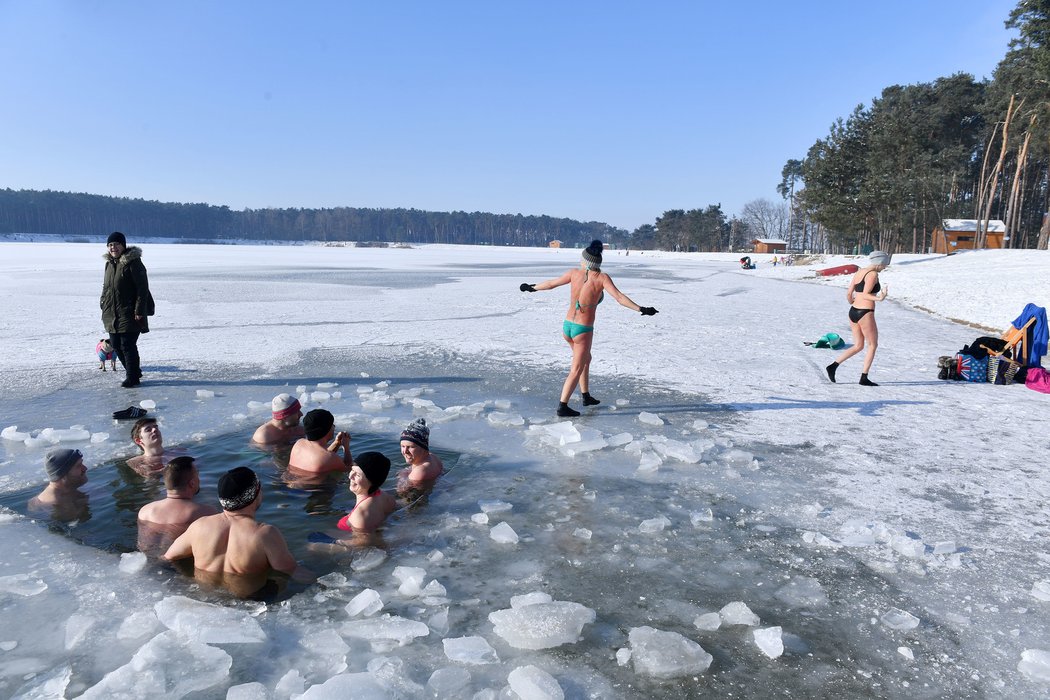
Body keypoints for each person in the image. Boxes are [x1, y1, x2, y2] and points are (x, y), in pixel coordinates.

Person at [520, 240, 659, 417]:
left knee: (586, 358)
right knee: (576, 368)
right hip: (583, 330)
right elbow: (619, 298)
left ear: (586, 261)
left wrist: (532, 288)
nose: (580, 261)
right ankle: (563, 406)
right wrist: (641, 309)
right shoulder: (601, 278)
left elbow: (551, 284)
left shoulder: (574, 274)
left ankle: (586, 396)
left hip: (567, 327)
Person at [163, 466, 308, 597]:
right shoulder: (264, 534)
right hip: (249, 605)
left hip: (205, 598)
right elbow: (292, 571)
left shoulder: (199, 526)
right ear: (256, 494)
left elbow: (168, 557)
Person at [826, 250, 891, 386]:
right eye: (884, 264)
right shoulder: (873, 274)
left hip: (853, 311)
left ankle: (833, 366)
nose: (884, 267)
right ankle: (864, 378)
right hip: (865, 312)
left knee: (858, 346)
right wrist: (880, 298)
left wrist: (853, 303)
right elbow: (867, 294)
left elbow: (849, 294)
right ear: (879, 262)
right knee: (873, 345)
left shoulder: (859, 272)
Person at [100, 231, 154, 388]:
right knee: (116, 344)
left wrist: (138, 310)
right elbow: (106, 287)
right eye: (110, 245)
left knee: (127, 345)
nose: (113, 247)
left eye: (116, 244)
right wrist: (103, 303)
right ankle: (134, 371)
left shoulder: (133, 263)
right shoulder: (109, 264)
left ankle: (132, 377)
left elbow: (142, 289)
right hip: (112, 312)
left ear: (123, 245)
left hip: (129, 312)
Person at [137, 456, 219, 554]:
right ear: (192, 483)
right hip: (177, 563)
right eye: (197, 474)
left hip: (143, 559)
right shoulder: (205, 512)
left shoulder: (145, 511)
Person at [337, 452, 397, 534]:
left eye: (357, 475)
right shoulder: (385, 497)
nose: (350, 476)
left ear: (372, 480)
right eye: (352, 470)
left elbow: (362, 546)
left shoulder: (361, 515)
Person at [28, 448, 90, 522]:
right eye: (78, 466)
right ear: (62, 475)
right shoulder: (61, 507)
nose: (85, 468)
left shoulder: (65, 490)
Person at [288, 408, 352, 474]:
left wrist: (337, 443)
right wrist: (346, 448)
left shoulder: (299, 444)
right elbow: (349, 469)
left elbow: (323, 456)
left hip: (288, 482)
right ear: (326, 430)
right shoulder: (330, 458)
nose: (334, 426)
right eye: (332, 425)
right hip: (314, 484)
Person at [398, 418, 443, 482]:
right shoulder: (433, 457)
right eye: (403, 446)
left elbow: (402, 491)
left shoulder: (419, 472)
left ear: (423, 447)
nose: (405, 451)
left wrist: (402, 478)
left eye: (410, 447)